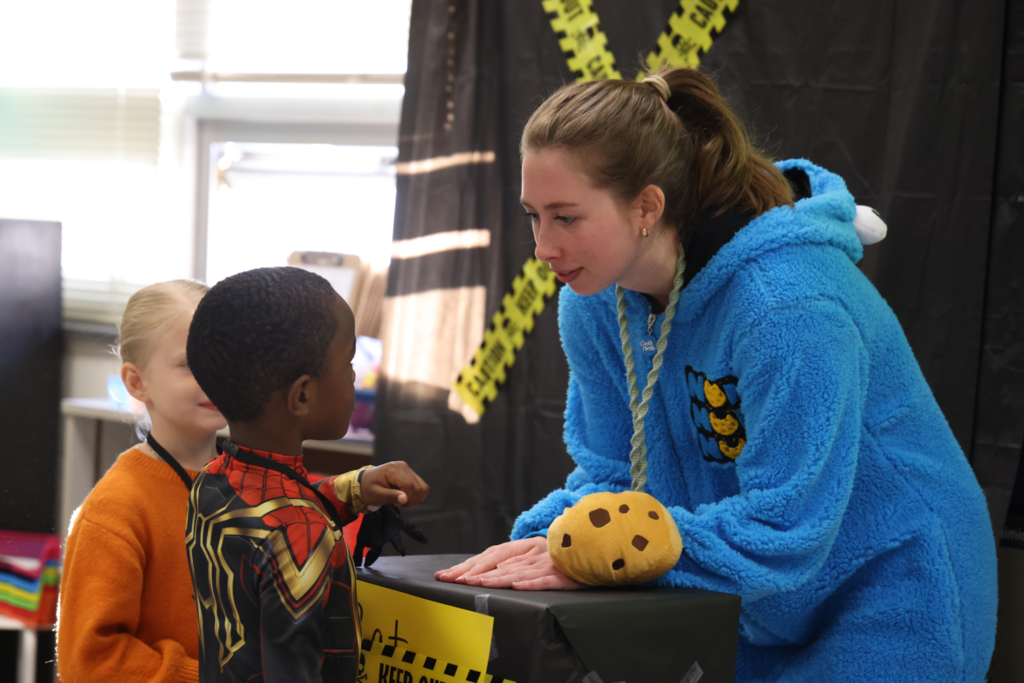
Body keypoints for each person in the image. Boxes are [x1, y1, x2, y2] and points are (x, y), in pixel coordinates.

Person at [436, 69, 998, 682]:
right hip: (754, 603)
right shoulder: (595, 298)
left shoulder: (786, 303)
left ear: (647, 207)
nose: (543, 247)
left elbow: (790, 523)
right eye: (533, 216)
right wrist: (553, 539)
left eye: (566, 217)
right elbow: (613, 473)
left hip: (895, 591)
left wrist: (599, 555)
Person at [184, 267, 429, 683]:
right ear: (302, 395)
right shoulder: (301, 532)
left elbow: (274, 507)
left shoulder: (211, 481)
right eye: (348, 362)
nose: (354, 375)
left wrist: (355, 488)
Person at [58, 280, 226, 683]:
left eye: (225, 358)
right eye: (190, 364)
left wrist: (356, 490)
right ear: (137, 383)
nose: (215, 375)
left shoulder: (245, 479)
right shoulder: (116, 509)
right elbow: (89, 662)